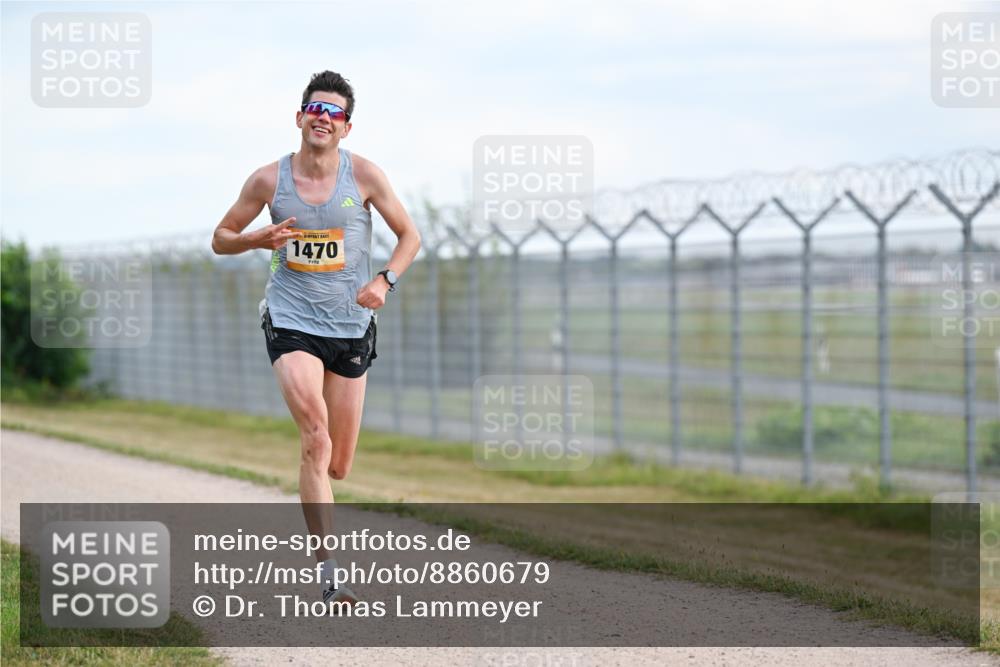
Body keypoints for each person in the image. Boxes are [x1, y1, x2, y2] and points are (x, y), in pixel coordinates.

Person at [211, 70, 421, 608]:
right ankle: (330, 573)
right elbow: (221, 238)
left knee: (338, 463)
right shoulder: (268, 181)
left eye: (334, 113)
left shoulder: (366, 176)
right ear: (299, 117)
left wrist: (384, 280)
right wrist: (256, 238)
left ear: (346, 128)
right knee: (315, 436)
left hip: (350, 325)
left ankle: (316, 489)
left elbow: (409, 236)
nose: (322, 118)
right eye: (314, 108)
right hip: (291, 318)